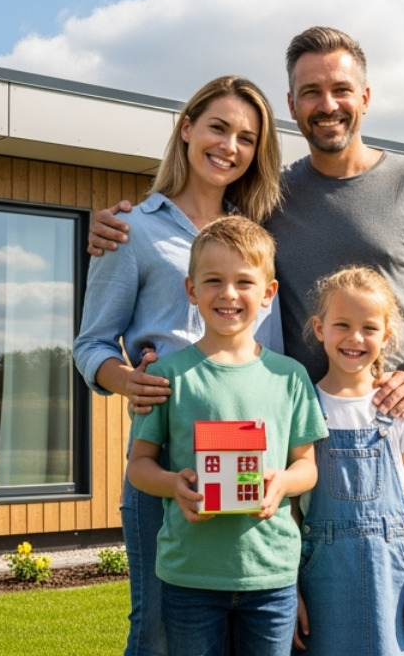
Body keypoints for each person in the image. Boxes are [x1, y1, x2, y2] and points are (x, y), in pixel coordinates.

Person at [92, 27, 404, 656]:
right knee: (301, 623)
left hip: (396, 434)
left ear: (366, 95)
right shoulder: (269, 198)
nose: (327, 104)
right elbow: (204, 236)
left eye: (340, 89)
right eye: (310, 92)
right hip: (297, 439)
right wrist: (118, 226)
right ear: (293, 103)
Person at [74, 75, 283, 656]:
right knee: (161, 631)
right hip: (164, 457)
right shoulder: (131, 230)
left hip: (252, 455)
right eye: (218, 127)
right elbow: (91, 343)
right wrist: (127, 380)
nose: (230, 146)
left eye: (247, 137)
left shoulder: (262, 237)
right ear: (186, 127)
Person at [128, 216, 328, 656]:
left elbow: (307, 466)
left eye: (244, 282)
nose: (229, 294)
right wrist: (172, 484)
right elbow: (139, 467)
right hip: (189, 575)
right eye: (214, 280)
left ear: (268, 293)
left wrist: (282, 483)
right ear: (192, 290)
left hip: (270, 573)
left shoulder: (289, 376)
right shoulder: (168, 376)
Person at [295, 266, 404, 656]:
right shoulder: (302, 405)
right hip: (322, 580)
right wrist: (292, 593)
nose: (355, 338)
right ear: (319, 328)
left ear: (387, 336)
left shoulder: (399, 406)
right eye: (342, 324)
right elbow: (289, 513)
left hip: (394, 577)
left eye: (369, 328)